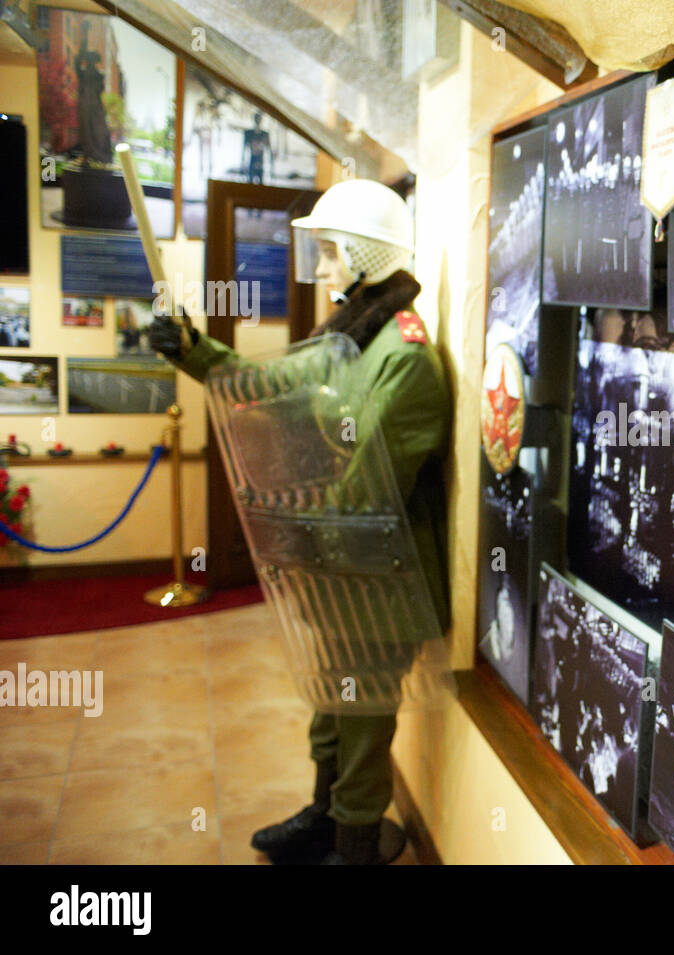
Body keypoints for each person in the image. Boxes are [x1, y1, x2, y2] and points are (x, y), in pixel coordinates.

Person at [149, 178, 450, 865]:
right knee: (330, 710)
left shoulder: (400, 356)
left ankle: (352, 843)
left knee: (364, 720)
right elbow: (273, 385)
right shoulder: (350, 335)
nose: (317, 269)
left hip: (380, 585)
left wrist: (291, 529)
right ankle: (323, 818)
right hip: (338, 573)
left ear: (364, 254)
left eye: (327, 252)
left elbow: (364, 494)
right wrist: (192, 350)